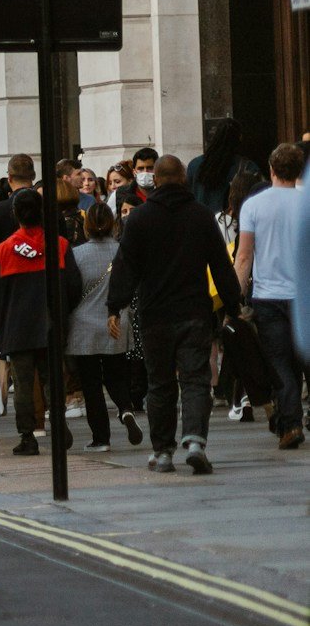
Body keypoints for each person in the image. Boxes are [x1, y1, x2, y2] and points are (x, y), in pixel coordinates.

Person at [108, 153, 243, 474]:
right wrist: (233, 305)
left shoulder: (139, 220)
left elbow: (125, 268)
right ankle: (195, 441)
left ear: (155, 180)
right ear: (183, 178)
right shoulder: (200, 216)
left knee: (160, 383)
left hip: (154, 315)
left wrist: (115, 306)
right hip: (194, 313)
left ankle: (163, 451)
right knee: (196, 379)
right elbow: (221, 268)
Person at [0, 188, 84, 457]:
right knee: (53, 381)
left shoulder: (3, 251)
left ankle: (28, 437)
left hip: (16, 328)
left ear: (16, 215)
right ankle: (58, 425)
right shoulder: (59, 245)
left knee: (24, 386)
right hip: (51, 324)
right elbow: (74, 285)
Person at [235, 141, 304, 450]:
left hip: (269, 295)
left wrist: (236, 294)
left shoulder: (254, 205)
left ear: (272, 169)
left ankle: (290, 424)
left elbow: (245, 257)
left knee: (280, 363)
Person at [67, 202, 144, 449]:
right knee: (116, 375)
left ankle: (101, 438)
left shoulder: (76, 254)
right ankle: (125, 409)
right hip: (116, 321)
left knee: (90, 384)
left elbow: (70, 290)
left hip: (82, 327)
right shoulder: (123, 250)